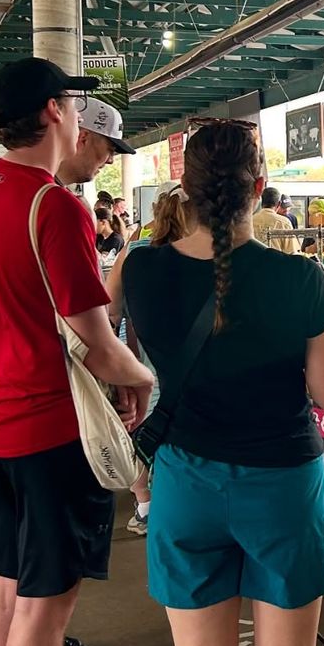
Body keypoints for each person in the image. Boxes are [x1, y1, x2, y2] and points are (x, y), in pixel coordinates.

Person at [122, 118, 324, 646]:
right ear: (258, 188)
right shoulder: (298, 277)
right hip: (282, 484)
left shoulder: (141, 267)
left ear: (185, 188)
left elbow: (88, 332)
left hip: (183, 481)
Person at [0, 57, 154, 646]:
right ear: (54, 112)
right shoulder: (56, 206)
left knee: (7, 591)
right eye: (71, 104)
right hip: (45, 431)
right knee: (46, 605)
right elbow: (95, 340)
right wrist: (143, 377)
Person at [105, 179, 194, 537]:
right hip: (186, 358)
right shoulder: (202, 252)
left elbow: (110, 308)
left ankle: (146, 505)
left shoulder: (135, 251)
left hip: (138, 355)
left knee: (138, 431)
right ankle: (179, 501)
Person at [57, 99, 136, 188]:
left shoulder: (44, 188)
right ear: (83, 139)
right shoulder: (52, 196)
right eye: (110, 150)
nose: (110, 161)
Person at [253, 187, 299, 254]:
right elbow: (292, 252)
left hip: (253, 263)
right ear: (279, 204)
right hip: (277, 263)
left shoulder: (250, 221)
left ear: (262, 202)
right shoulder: (284, 222)